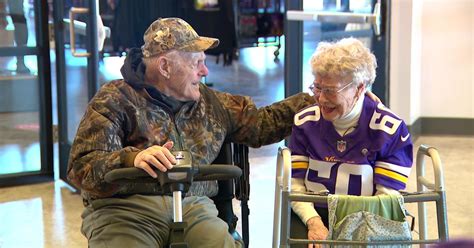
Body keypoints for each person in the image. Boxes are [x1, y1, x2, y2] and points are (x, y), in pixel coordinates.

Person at [67, 17, 314, 247]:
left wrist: (319, 100)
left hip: (193, 206)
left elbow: (262, 124)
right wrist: (131, 159)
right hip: (125, 210)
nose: (205, 72)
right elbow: (81, 168)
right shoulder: (114, 99)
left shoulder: (212, 103)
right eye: (197, 63)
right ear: (165, 67)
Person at [288, 38, 413, 248]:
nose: (320, 98)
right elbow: (295, 185)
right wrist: (314, 222)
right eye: (317, 87)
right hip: (313, 214)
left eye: (329, 90)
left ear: (359, 88)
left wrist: (345, 237)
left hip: (369, 220)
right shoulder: (305, 123)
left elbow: (385, 201)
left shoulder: (390, 130)